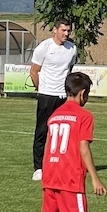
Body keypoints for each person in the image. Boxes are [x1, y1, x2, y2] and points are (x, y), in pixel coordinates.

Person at [29, 71, 107, 212]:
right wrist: (95, 178)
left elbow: (50, 145)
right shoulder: (84, 116)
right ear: (82, 93)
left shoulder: (55, 115)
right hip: (69, 177)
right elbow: (83, 147)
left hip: (50, 174)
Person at [30, 19, 77, 182]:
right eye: (63, 30)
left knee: (64, 132)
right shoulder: (44, 47)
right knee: (42, 132)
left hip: (64, 97)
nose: (66, 33)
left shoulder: (72, 49)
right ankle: (38, 168)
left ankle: (62, 165)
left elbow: (69, 70)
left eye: (68, 31)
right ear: (55, 30)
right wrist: (41, 90)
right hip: (46, 96)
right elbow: (34, 72)